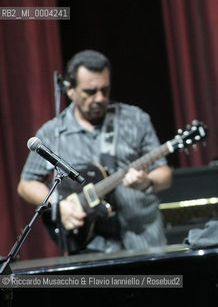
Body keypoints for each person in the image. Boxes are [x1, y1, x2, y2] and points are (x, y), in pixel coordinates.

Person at [17, 49, 172, 254]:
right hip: (90, 245)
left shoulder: (135, 120)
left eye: (105, 90)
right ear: (70, 89)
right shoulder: (52, 132)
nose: (99, 98)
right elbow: (26, 184)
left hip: (143, 238)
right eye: (90, 92)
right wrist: (59, 205)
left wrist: (147, 183)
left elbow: (164, 174)